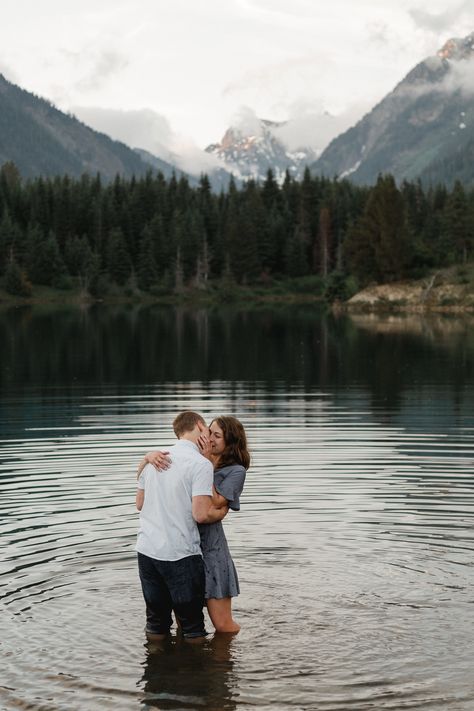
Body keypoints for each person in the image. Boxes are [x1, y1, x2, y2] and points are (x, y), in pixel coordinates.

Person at [141, 415, 250, 634]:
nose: (209, 438)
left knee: (223, 625)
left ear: (230, 441)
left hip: (211, 550)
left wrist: (207, 463)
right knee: (185, 619)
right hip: (183, 547)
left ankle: (229, 661)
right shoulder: (194, 459)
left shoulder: (235, 471)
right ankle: (188, 663)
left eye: (216, 435)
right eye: (209, 432)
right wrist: (148, 457)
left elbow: (217, 502)